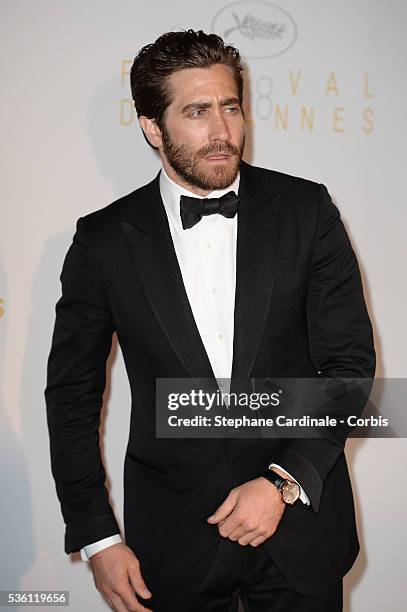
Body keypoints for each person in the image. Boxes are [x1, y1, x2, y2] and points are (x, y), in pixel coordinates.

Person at [44, 29, 375, 612]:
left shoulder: (307, 210)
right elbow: (72, 396)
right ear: (153, 127)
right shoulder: (102, 241)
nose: (221, 131)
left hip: (300, 529)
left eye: (230, 107)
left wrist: (282, 482)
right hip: (171, 543)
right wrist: (98, 537)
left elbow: (347, 368)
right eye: (197, 112)